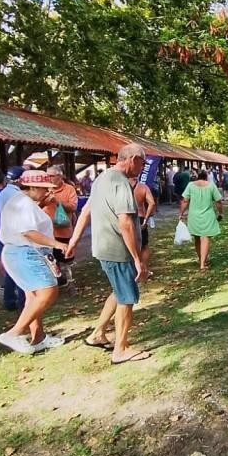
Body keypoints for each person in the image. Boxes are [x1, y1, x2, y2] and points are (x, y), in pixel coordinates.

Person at [67, 144, 151, 364]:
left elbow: (86, 211)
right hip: (118, 252)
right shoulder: (121, 183)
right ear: (132, 159)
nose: (143, 167)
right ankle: (120, 349)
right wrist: (136, 258)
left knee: (118, 291)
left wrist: (74, 241)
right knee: (127, 298)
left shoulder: (102, 179)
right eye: (143, 162)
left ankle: (97, 334)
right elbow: (125, 222)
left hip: (104, 249)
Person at [0, 170, 68, 354]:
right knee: (48, 290)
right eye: (44, 189)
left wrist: (42, 202)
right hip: (25, 252)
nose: (47, 192)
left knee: (33, 297)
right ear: (33, 187)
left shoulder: (21, 201)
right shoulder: (23, 203)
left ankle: (38, 338)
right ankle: (15, 333)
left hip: (20, 252)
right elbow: (29, 232)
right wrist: (57, 244)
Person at [179, 169, 223, 270]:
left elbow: (185, 200)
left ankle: (201, 259)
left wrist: (181, 213)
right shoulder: (211, 185)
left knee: (197, 238)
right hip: (208, 216)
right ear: (206, 176)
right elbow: (218, 201)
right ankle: (203, 264)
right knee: (205, 238)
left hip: (194, 216)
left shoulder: (190, 185)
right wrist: (221, 213)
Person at [41, 165, 78, 286]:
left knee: (66, 259)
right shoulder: (44, 189)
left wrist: (57, 201)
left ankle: (69, 283)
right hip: (47, 232)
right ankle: (56, 282)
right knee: (50, 259)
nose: (49, 178)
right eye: (47, 176)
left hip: (63, 231)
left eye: (51, 176)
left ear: (60, 176)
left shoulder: (69, 189)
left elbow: (73, 207)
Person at [0, 166, 28, 310]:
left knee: (12, 271)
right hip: (17, 235)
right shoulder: (16, 195)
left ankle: (10, 300)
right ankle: (22, 301)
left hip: (10, 233)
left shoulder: (5, 192)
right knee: (21, 270)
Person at [130, 176, 156, 270]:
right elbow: (152, 203)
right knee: (144, 245)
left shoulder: (121, 186)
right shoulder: (142, 187)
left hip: (126, 218)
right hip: (140, 217)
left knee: (129, 244)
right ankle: (144, 269)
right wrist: (146, 218)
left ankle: (133, 269)